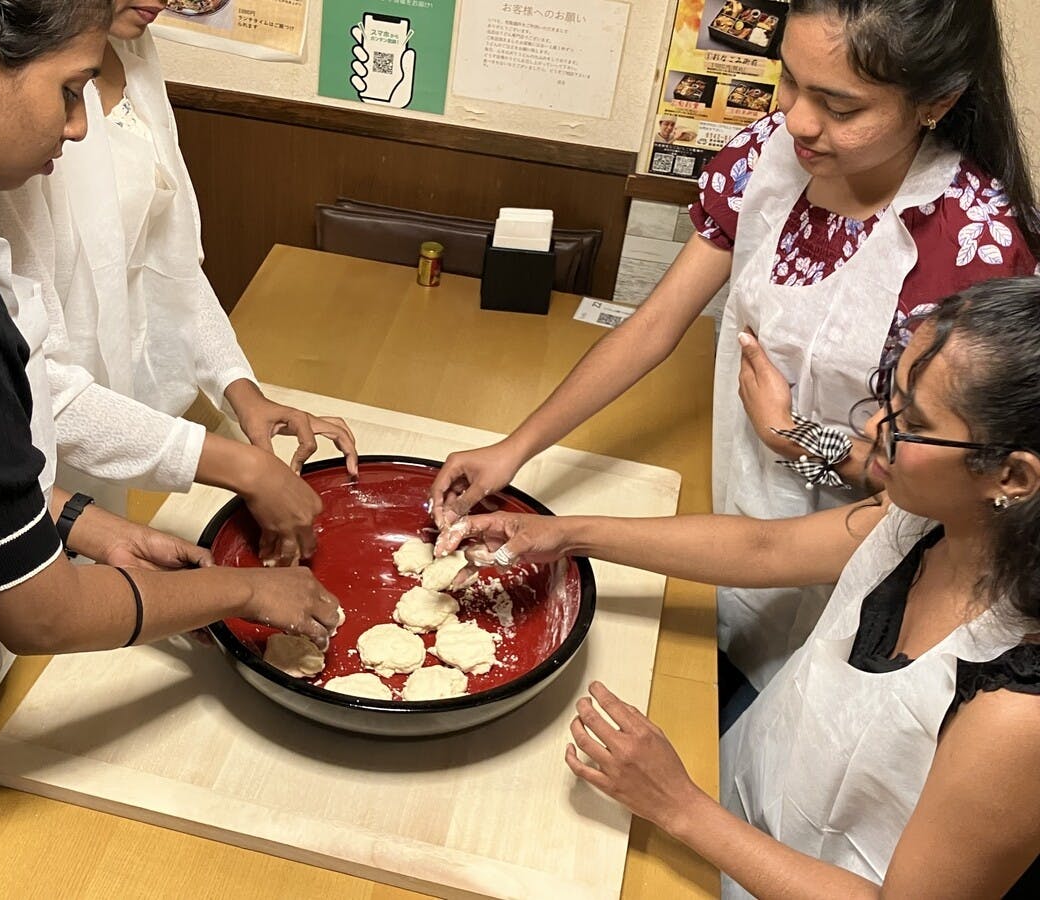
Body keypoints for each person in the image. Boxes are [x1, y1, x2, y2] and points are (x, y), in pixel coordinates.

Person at [0, 3, 339, 892]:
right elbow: (41, 617)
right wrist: (246, 589)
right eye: (69, 91)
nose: (78, 126)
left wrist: (83, 524)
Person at [429, 0, 1040, 713]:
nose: (798, 120)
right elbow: (654, 327)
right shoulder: (772, 152)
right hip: (733, 500)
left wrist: (794, 437)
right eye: (790, 79)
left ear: (937, 101)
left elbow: (933, 487)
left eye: (840, 106)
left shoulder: (974, 247)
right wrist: (515, 447)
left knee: (775, 699)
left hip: (855, 552)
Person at [436, 278, 1040, 897]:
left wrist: (678, 805)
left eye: (912, 423)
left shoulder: (1020, 714)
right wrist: (562, 535)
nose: (876, 428)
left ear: (1013, 477)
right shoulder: (921, 519)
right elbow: (766, 548)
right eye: (890, 397)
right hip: (742, 804)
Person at [0, 0, 357, 566]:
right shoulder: (10, 116)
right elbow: (35, 376)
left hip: (119, 432)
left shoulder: (129, 48)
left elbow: (168, 261)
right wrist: (238, 466)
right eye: (71, 93)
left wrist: (241, 390)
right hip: (27, 466)